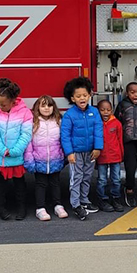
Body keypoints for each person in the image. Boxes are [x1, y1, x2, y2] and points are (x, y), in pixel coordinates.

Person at [60, 77, 103, 221]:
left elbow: (98, 130)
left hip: (90, 152)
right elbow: (65, 135)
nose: (82, 98)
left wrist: (98, 148)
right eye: (78, 96)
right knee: (76, 178)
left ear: (89, 95)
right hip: (76, 153)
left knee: (87, 176)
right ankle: (76, 204)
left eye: (84, 95)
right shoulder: (69, 115)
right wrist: (69, 153)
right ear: (72, 98)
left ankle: (85, 200)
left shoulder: (95, 112)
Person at [0, 78, 33, 221]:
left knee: (20, 185)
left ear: (13, 101)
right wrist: (2, 150)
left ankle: (22, 208)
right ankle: (0, 208)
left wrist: (15, 151)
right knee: (1, 186)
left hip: (17, 156)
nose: (0, 106)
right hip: (3, 157)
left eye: (3, 104)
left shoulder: (25, 113)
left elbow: (26, 134)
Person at [24, 95, 68, 221]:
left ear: (54, 107)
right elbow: (29, 143)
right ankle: (40, 208)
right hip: (39, 160)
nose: (46, 108)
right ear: (37, 107)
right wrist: (30, 160)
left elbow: (63, 140)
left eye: (49, 105)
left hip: (55, 159)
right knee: (40, 184)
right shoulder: (33, 122)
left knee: (55, 183)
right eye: (43, 105)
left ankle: (58, 205)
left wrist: (64, 156)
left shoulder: (58, 121)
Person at [96, 99, 124, 213]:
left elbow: (120, 140)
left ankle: (115, 198)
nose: (105, 112)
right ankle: (102, 199)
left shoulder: (116, 123)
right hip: (102, 157)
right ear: (98, 111)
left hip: (115, 157)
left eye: (108, 110)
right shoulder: (97, 123)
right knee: (102, 180)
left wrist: (121, 155)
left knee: (116, 179)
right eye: (102, 110)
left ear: (112, 110)